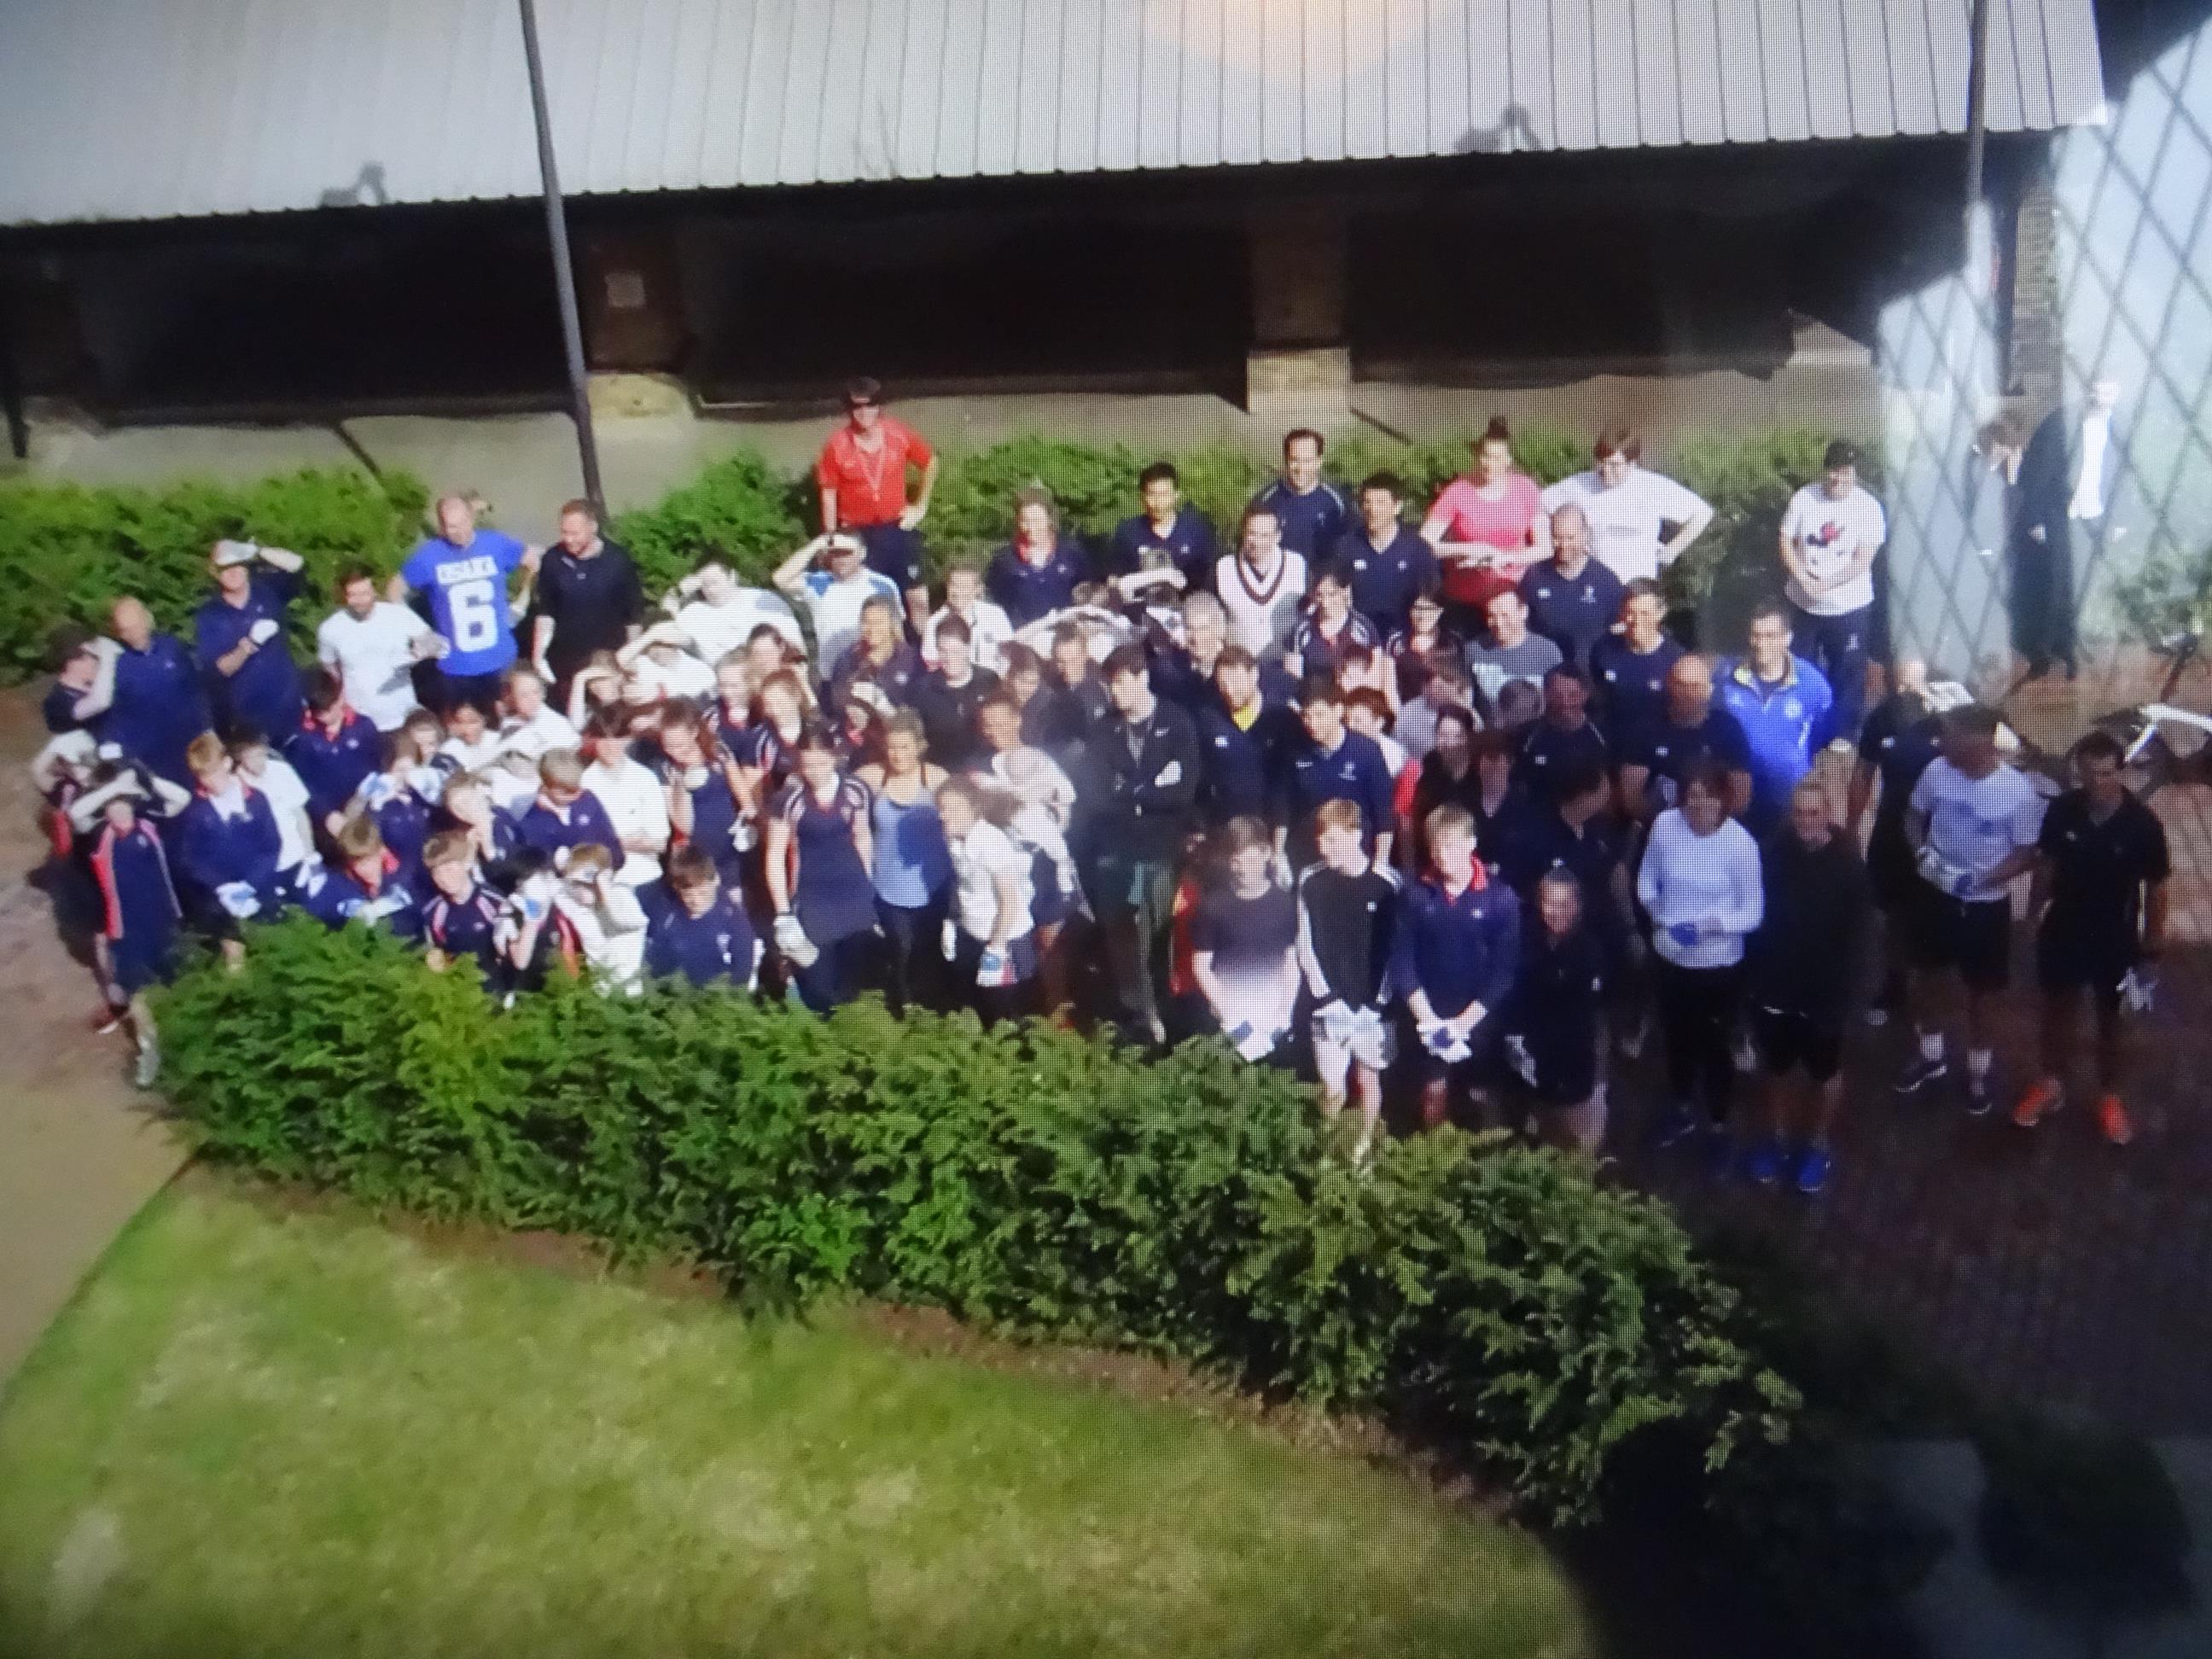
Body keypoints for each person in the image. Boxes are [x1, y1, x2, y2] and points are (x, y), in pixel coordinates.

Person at [2015, 731, 2170, 1145]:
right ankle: (2051, 1084)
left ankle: (2110, 1096)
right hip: (2063, 930)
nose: (2096, 783)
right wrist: (2031, 917)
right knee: (2056, 1013)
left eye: (2105, 774)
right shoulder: (2063, 811)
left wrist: (2153, 947)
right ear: (2078, 774)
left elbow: (2157, 888)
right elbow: (2046, 866)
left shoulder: (2143, 826)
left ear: (2121, 772)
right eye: (2087, 774)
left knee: (2112, 1022)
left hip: (2115, 938)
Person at [1895, 704, 2044, 1116]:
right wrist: (1922, 855)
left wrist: (1983, 881)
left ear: (1979, 740)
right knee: (1927, 978)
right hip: (1935, 898)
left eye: (1949, 734)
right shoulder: (1936, 771)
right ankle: (1930, 1055)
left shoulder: (2017, 790)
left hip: (1984, 908)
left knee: (1983, 994)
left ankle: (1977, 1072)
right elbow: (1913, 816)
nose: (1941, 742)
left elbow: (2026, 851)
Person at [1745, 778, 1871, 1193]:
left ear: (1828, 814)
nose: (1806, 821)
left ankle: (1816, 1144)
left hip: (1824, 991)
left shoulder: (1849, 865)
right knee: (1776, 1068)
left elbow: (1859, 936)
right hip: (1777, 986)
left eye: (1814, 813)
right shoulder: (1769, 854)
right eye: (1799, 812)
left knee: (1825, 1072)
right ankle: (1775, 1137)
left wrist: (1845, 994)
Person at [1637, 762, 1764, 1163]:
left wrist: (1711, 926)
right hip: (1672, 959)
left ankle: (1719, 1124)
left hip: (1720, 966)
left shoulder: (1741, 844)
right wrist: (1663, 917)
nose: (1699, 806)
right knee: (1677, 1039)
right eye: (1692, 796)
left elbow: (1754, 912)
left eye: (1708, 797)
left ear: (1723, 801)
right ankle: (1681, 1109)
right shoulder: (1664, 827)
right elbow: (1646, 883)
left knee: (1716, 1046)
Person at [1082, 645, 1199, 1045]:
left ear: (1142, 678)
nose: (1117, 694)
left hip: (1162, 845)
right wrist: (1150, 788)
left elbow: (1183, 792)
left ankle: (1169, 1014)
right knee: (1120, 931)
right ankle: (1139, 1014)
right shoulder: (1102, 730)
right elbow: (1096, 795)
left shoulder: (1175, 721)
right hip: (1115, 845)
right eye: (1111, 685)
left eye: (1124, 683)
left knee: (1159, 929)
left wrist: (1132, 792)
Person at [1393, 804, 1522, 1130]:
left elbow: (1504, 971)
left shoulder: (1500, 897)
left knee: (1481, 1099)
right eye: (1435, 845)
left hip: (1479, 1019)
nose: (1441, 853)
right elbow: (1403, 962)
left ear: (1470, 843)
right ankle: (1437, 1166)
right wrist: (1430, 1021)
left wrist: (1465, 1023)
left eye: (1450, 844)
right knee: (1433, 1097)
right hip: (1429, 1018)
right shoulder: (1415, 895)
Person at [1295, 800, 1400, 1164]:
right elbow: (1304, 943)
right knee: (1333, 1088)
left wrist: (1379, 1000)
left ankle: (1362, 1150)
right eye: (1322, 840)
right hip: (1329, 1007)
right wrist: (1326, 997)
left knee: (1369, 1081)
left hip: (1373, 1007)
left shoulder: (1387, 883)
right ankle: (1327, 1148)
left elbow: (1395, 949)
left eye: (1335, 840)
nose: (1327, 848)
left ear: (1357, 836)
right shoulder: (1310, 880)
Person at [1847, 659, 1944, 1025]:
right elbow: (1862, 775)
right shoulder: (1880, 719)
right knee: (1889, 914)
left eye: (1913, 682)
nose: (1906, 690)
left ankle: (1935, 991)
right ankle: (1894, 985)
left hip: (1941, 833)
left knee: (1935, 911)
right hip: (1891, 830)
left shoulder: (1945, 716)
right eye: (1899, 682)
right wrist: (1852, 827)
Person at [73, 770, 180, 1088]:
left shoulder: (150, 825)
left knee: (175, 984)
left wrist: (143, 775)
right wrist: (113, 788)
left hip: (164, 922)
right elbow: (76, 813)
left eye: (125, 803)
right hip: (126, 930)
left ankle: (182, 1043)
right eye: (113, 805)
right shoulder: (97, 837)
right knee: (138, 996)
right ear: (104, 808)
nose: (120, 810)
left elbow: (181, 798)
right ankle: (151, 1052)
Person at [2012, 378, 2123, 683]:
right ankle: (2048, 649)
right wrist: (2035, 518)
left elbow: (2123, 475)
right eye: (2098, 390)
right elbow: (2034, 473)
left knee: (2088, 584)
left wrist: (2119, 519)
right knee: (2058, 585)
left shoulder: (2120, 427)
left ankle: (2075, 643)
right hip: (2062, 516)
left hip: (2096, 515)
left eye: (2110, 391)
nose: (2103, 397)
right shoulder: (2060, 424)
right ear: (2088, 391)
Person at [763, 725, 878, 1012]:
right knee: (819, 984)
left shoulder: (855, 791)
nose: (814, 772)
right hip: (812, 898)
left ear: (834, 757)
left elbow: (863, 838)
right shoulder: (788, 800)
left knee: (855, 984)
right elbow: (775, 856)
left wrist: (869, 887)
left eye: (821, 764)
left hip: (853, 895)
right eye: (807, 765)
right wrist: (782, 913)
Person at [393, 494, 542, 711]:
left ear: (471, 518)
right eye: (452, 526)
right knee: (465, 724)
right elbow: (394, 590)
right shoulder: (428, 555)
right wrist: (419, 631)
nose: (460, 531)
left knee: (510, 720)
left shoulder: (495, 543)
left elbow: (531, 560)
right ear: (442, 527)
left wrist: (520, 599)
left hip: (500, 657)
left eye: (463, 523)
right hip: (457, 664)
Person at [1778, 440, 1885, 743]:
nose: (1837, 479)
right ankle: (1801, 724)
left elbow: (1864, 558)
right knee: (1799, 666)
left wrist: (1830, 582)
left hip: (1849, 606)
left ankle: (1844, 733)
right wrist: (1802, 578)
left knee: (1848, 672)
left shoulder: (1868, 507)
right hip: (1802, 603)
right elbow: (1786, 541)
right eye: (1832, 472)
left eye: (1844, 472)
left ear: (1854, 474)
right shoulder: (1804, 498)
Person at [815, 376, 938, 635]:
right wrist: (830, 539)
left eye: (870, 406)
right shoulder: (837, 445)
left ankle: (929, 659)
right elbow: (828, 493)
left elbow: (930, 462)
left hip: (897, 526)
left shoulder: (898, 433)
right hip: (860, 533)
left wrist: (920, 505)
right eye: (856, 407)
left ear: (879, 406)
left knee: (917, 599)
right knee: (875, 603)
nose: (864, 413)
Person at [1500, 872, 1610, 1155]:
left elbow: (1591, 1019)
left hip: (1574, 1066)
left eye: (1564, 903)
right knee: (1534, 1136)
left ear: (1577, 905)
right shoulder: (1527, 941)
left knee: (1578, 1144)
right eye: (1550, 903)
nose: (1556, 911)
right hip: (1529, 1063)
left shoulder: (1589, 952)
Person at [854, 712, 952, 1015]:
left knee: (930, 950)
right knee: (900, 948)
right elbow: (839, 789)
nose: (898, 755)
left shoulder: (935, 778)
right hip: (889, 884)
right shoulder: (871, 777)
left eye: (905, 747)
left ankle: (935, 1012)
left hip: (932, 882)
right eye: (892, 747)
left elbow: (961, 815)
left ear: (920, 746)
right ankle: (902, 1009)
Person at [1714, 601, 1835, 837]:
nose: (1762, 644)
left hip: (1790, 802)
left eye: (1770, 636)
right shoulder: (1726, 678)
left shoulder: (1811, 682)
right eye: (1756, 635)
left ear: (1787, 638)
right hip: (1738, 801)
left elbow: (1824, 734)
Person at [1539, 427, 1713, 585]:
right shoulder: (1580, 485)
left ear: (1632, 463)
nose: (1606, 470)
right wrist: (1553, 547)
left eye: (1614, 464)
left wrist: (1671, 551)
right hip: (1593, 586)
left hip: (1637, 589)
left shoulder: (1651, 486)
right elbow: (1540, 505)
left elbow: (1702, 513)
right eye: (1601, 462)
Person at [1420, 418, 1550, 628]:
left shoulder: (1525, 489)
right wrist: (1470, 548)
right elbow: (1423, 544)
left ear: (1508, 459)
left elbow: (1545, 548)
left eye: (1497, 458)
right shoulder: (1458, 491)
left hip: (1510, 602)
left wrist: (1503, 557)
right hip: (1465, 601)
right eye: (1485, 456)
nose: (1489, 463)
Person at [1190, 817, 1301, 1059]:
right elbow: (1201, 966)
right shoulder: (1213, 905)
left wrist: (1284, 1014)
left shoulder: (1285, 904)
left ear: (1266, 855)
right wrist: (1230, 1018)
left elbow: (1291, 962)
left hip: (1273, 1019)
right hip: (1229, 1020)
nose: (1243, 868)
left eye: (1251, 859)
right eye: (1236, 861)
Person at [934, 774, 1040, 1024]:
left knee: (1003, 1013)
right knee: (971, 1006)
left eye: (952, 808)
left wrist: (996, 948)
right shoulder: (954, 839)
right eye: (941, 808)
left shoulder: (991, 842)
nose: (944, 815)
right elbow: (962, 885)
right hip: (972, 935)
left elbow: (1009, 900)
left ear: (974, 808)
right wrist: (952, 922)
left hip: (1003, 941)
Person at [176, 731, 284, 962]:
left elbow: (273, 847)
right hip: (223, 902)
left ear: (226, 763)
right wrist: (222, 888)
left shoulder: (256, 800)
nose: (211, 782)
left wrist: (251, 884)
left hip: (261, 892)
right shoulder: (195, 812)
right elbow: (191, 859)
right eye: (203, 776)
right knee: (235, 961)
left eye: (214, 773)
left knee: (273, 953)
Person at [83, 597, 212, 789]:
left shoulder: (172, 647)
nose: (134, 634)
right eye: (126, 630)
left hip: (190, 742)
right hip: (152, 755)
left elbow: (195, 689)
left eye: (137, 625)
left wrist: (209, 728)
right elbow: (110, 716)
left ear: (147, 619)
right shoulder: (117, 665)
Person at [1275, 676, 1395, 874]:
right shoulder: (1292, 750)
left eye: (1319, 715)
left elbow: (1383, 813)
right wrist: (1278, 853)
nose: (1312, 723)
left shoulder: (1366, 751)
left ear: (1338, 710)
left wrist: (1380, 862)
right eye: (1306, 716)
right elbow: (1281, 806)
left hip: (1355, 859)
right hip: (1306, 857)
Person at [1615, 656, 1753, 825]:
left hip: (1714, 830)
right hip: (1660, 829)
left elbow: (1741, 799)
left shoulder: (1727, 728)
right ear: (1670, 685)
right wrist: (1670, 827)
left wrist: (1703, 824)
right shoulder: (1644, 729)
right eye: (1681, 685)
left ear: (1709, 690)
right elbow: (1631, 800)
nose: (1688, 694)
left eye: (1695, 686)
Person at [194, 538, 307, 739]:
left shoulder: (267, 591)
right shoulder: (210, 615)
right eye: (225, 568)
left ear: (246, 567)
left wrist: (257, 550)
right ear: (216, 574)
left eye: (237, 565)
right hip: (248, 718)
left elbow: (297, 565)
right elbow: (219, 669)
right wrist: (248, 645)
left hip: (289, 707)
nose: (233, 572)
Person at [529, 499, 643, 694]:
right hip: (566, 660)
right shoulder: (553, 560)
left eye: (575, 533)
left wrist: (633, 658)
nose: (569, 540)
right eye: (564, 532)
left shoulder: (617, 560)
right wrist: (538, 656)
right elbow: (546, 612)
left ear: (593, 528)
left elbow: (633, 615)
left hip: (608, 658)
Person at [316, 565, 441, 734]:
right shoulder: (331, 628)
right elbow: (330, 670)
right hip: (360, 718)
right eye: (353, 595)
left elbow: (432, 641)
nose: (360, 600)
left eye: (365, 593)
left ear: (375, 591)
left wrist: (419, 652)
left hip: (403, 712)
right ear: (344, 596)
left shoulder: (398, 615)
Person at [1190, 644, 1297, 826]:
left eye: (1236, 681)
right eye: (1223, 684)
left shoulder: (1280, 717)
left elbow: (1286, 781)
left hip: (1273, 825)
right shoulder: (1209, 718)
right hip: (1226, 826)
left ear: (1253, 675)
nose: (1229, 690)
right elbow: (1201, 777)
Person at [1323, 472, 1438, 636]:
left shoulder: (1417, 549)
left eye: (1380, 502)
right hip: (1361, 636)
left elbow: (1431, 596)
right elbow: (1332, 588)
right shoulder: (1347, 545)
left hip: (1405, 637)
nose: (1372, 509)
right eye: (1367, 502)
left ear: (1397, 506)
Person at [772, 531, 905, 672]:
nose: (840, 559)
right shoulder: (819, 582)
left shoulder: (882, 585)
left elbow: (897, 630)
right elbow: (780, 579)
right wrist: (817, 544)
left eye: (846, 553)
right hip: (829, 674)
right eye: (835, 553)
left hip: (875, 670)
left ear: (862, 553)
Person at [1519, 505, 1625, 671]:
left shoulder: (1606, 580)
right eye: (1557, 537)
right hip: (1545, 672)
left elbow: (1617, 631)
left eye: (1570, 537)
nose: (1563, 544)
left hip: (1591, 674)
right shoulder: (1534, 576)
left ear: (1584, 534)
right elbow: (1524, 629)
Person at [643, 845, 762, 992]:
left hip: (718, 998)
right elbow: (656, 963)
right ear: (676, 888)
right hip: (676, 997)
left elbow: (741, 973)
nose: (696, 900)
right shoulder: (669, 916)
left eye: (703, 892)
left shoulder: (733, 920)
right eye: (688, 895)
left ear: (716, 880)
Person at [579, 708, 671, 888]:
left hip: (645, 876)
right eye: (604, 738)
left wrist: (612, 841)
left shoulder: (645, 778)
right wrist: (628, 840)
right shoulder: (583, 783)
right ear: (593, 740)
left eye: (618, 738)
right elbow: (584, 842)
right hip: (602, 881)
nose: (611, 746)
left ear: (628, 739)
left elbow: (659, 841)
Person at [1588, 579, 1683, 750]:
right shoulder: (1603, 648)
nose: (1636, 620)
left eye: (1644, 613)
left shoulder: (1676, 660)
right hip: (1611, 748)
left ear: (1660, 614)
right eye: (1631, 612)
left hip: (1659, 751)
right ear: (1622, 613)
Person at [283, 667, 381, 829]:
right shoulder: (303, 740)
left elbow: (378, 764)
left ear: (340, 699)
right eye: (320, 712)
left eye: (330, 708)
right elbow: (302, 783)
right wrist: (325, 814)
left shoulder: (363, 726)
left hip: (368, 806)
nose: (325, 717)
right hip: (332, 817)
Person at [296, 813, 422, 940]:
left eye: (370, 860)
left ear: (382, 850)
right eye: (357, 863)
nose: (365, 869)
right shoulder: (339, 884)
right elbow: (314, 913)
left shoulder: (408, 874)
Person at [666, 553, 805, 666]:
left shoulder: (762, 600)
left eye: (714, 583)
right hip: (723, 688)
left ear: (732, 577)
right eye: (704, 585)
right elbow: (666, 632)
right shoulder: (693, 613)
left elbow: (795, 644)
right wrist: (678, 592)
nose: (710, 590)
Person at [1108, 462, 1217, 602]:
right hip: (1138, 614)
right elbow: (1114, 579)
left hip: (1187, 613)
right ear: (1142, 497)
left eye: (1164, 494)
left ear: (1176, 495)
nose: (1158, 503)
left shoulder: (1197, 531)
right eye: (1152, 495)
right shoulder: (1127, 532)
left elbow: (1209, 580)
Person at [549, 841, 649, 992]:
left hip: (629, 993)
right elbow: (554, 890)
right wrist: (565, 869)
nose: (580, 890)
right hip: (600, 993)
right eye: (575, 884)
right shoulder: (580, 907)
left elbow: (621, 922)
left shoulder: (623, 896)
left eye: (585, 883)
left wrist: (601, 885)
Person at [419, 830, 515, 987]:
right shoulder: (433, 912)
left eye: (449, 869)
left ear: (465, 864)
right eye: (437, 873)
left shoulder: (494, 901)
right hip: (461, 992)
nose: (444, 878)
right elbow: (437, 956)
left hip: (498, 989)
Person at [1214, 506, 1308, 664]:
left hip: (1282, 665)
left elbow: (1309, 614)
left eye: (1265, 535)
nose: (1257, 542)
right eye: (1252, 533)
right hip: (1238, 667)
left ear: (1278, 536)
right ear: (1243, 533)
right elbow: (1211, 616)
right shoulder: (1224, 567)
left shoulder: (1297, 565)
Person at [987, 490, 1093, 629]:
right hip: (1025, 637)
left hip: (1068, 634)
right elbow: (996, 603)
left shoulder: (1071, 552)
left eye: (1037, 520)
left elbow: (1088, 592)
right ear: (1018, 521)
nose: (1031, 527)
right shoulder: (1004, 559)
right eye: (1026, 521)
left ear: (1049, 519)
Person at [910, 615, 999, 772]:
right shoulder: (922, 689)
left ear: (968, 648)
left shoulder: (989, 680)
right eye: (944, 652)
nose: (950, 659)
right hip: (941, 773)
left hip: (986, 770)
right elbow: (915, 738)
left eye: (956, 652)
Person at [229, 729, 315, 881]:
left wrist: (310, 856)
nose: (260, 761)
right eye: (253, 757)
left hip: (298, 858)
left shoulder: (281, 770)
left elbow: (300, 816)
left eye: (261, 754)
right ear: (239, 757)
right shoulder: (234, 786)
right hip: (267, 870)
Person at [1249, 428, 1348, 559]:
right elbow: (1248, 546)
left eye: (1307, 460)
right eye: (1294, 460)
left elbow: (1352, 547)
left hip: (1322, 577)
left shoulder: (1337, 501)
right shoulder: (1266, 501)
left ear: (1319, 462)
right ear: (1286, 461)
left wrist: (1333, 576)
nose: (1300, 468)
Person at [1464, 587, 1563, 716]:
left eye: (1505, 615)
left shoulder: (1547, 650)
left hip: (1532, 728)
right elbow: (1467, 695)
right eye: (1492, 616)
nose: (1498, 623)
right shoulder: (1474, 649)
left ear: (1523, 612)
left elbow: (1558, 700)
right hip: (1492, 731)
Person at [516, 747, 622, 864]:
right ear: (546, 788)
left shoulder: (587, 799)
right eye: (567, 792)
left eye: (577, 788)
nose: (577, 795)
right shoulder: (532, 824)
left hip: (607, 873)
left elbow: (611, 840)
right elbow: (545, 867)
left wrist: (612, 866)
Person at [1516, 665, 1609, 795]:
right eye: (1557, 695)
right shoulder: (1525, 736)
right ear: (1546, 694)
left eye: (1573, 695)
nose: (1565, 703)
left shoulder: (1606, 735)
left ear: (1585, 695)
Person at [826, 596, 926, 713]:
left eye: (879, 622)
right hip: (856, 729)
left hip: (899, 727)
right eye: (866, 622)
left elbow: (920, 706)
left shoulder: (912, 659)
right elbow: (837, 704)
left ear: (892, 624)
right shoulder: (847, 659)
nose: (872, 629)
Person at [1285, 568, 1382, 681]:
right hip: (1312, 694)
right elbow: (1292, 678)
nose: (1325, 603)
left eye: (1331, 594)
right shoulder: (1301, 629)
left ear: (1345, 591)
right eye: (1320, 595)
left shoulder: (1363, 627)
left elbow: (1376, 673)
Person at [922, 562, 1016, 675]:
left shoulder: (995, 615)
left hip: (992, 683)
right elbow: (932, 668)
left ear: (978, 589)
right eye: (954, 585)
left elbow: (1009, 657)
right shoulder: (934, 623)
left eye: (964, 586)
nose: (957, 592)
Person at [1394, 653, 1473, 760]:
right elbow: (1398, 748)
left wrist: (1462, 704)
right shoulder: (1409, 711)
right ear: (1426, 687)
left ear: (1456, 685)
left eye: (1441, 688)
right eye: (1435, 688)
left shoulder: (1464, 710)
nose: (1437, 692)